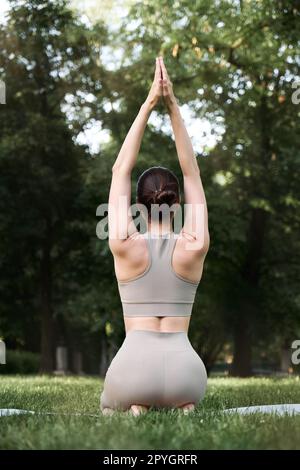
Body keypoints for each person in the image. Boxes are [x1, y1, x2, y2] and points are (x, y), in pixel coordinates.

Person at [100, 57, 210, 416]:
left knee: (108, 408)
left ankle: (137, 406)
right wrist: (172, 105)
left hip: (133, 368)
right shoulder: (194, 245)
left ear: (137, 206)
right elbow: (191, 173)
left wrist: (148, 104)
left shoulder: (124, 244)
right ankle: (184, 407)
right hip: (187, 374)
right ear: (177, 204)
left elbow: (120, 168)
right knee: (184, 390)